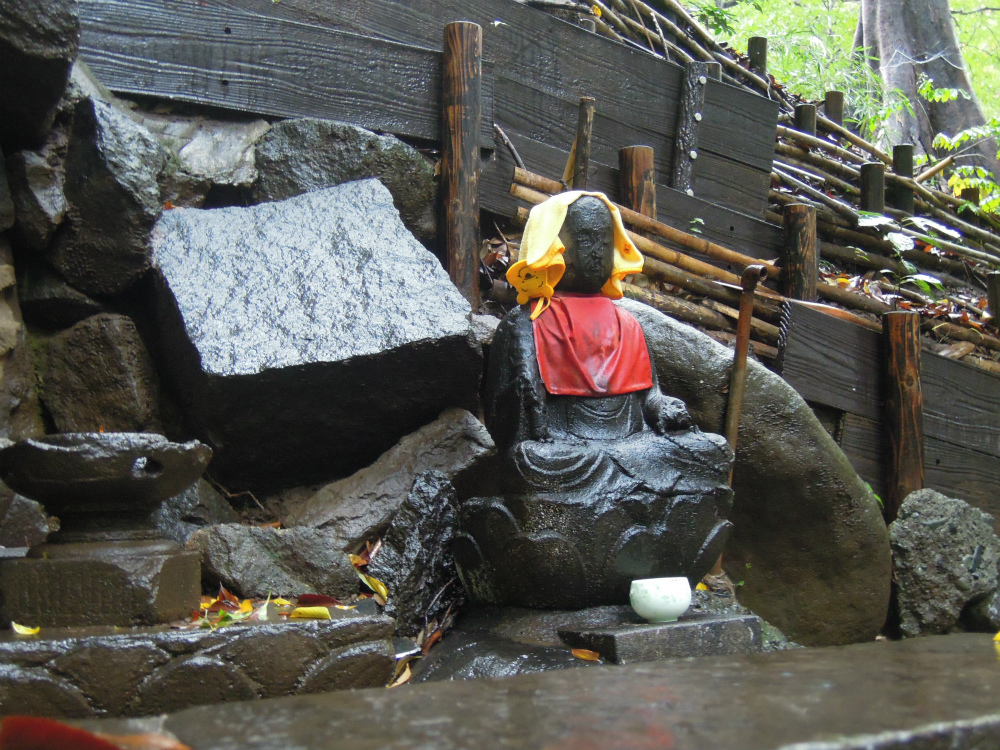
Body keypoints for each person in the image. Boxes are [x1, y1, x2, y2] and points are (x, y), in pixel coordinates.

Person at [455, 192, 734, 609]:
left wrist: (663, 407)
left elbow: (649, 397)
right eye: (584, 240)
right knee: (533, 463)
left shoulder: (627, 322)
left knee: (710, 451)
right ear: (552, 247)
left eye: (604, 243)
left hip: (634, 448)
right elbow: (509, 427)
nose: (596, 253)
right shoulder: (525, 324)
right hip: (568, 456)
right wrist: (524, 396)